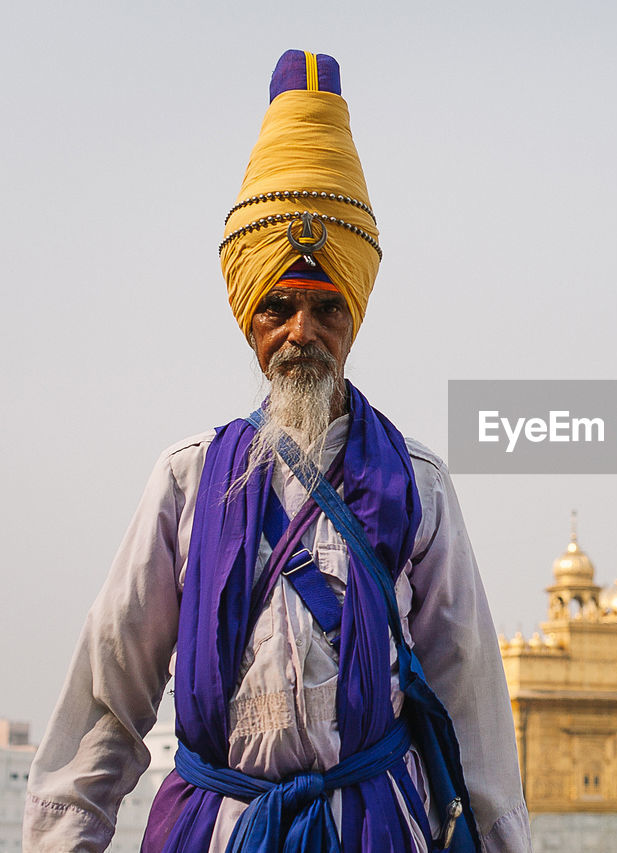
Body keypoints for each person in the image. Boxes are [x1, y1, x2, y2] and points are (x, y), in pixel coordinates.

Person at [23, 50, 532, 852]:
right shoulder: (186, 481)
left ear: (353, 318)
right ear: (250, 319)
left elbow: (471, 708)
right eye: (280, 307)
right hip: (217, 832)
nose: (302, 332)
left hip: (372, 832)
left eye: (326, 308)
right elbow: (110, 694)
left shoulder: (418, 487)